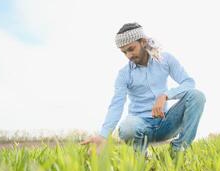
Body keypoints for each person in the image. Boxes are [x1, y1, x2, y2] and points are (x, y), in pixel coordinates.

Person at [81, 23, 206, 156]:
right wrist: (103, 136)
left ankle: (178, 150)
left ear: (143, 42)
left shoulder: (165, 59)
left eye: (131, 49)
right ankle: (142, 155)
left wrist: (166, 95)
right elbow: (116, 105)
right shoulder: (124, 74)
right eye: (124, 52)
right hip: (140, 127)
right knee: (127, 127)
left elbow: (188, 83)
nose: (128, 55)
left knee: (197, 96)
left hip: (167, 123)